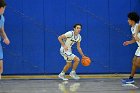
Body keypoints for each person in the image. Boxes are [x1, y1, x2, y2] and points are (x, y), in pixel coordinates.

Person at [123, 12, 140, 84]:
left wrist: (136, 34)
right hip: (139, 47)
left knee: (137, 63)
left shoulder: (137, 26)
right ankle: (131, 78)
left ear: (132, 20)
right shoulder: (132, 28)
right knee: (134, 62)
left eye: (128, 19)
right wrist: (129, 42)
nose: (127, 21)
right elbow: (134, 39)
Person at [0, 0, 10, 79]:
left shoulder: (2, 18)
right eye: (4, 8)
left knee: (1, 69)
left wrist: (5, 38)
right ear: (0, 8)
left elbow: (1, 30)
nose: (4, 10)